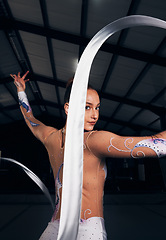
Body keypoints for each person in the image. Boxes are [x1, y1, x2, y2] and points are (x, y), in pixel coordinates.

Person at [11, 71, 166, 240]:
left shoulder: (50, 137)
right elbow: (157, 144)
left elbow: (30, 119)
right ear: (68, 108)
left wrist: (21, 91)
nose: (95, 115)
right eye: (87, 107)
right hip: (87, 231)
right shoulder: (93, 141)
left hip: (55, 228)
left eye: (97, 107)